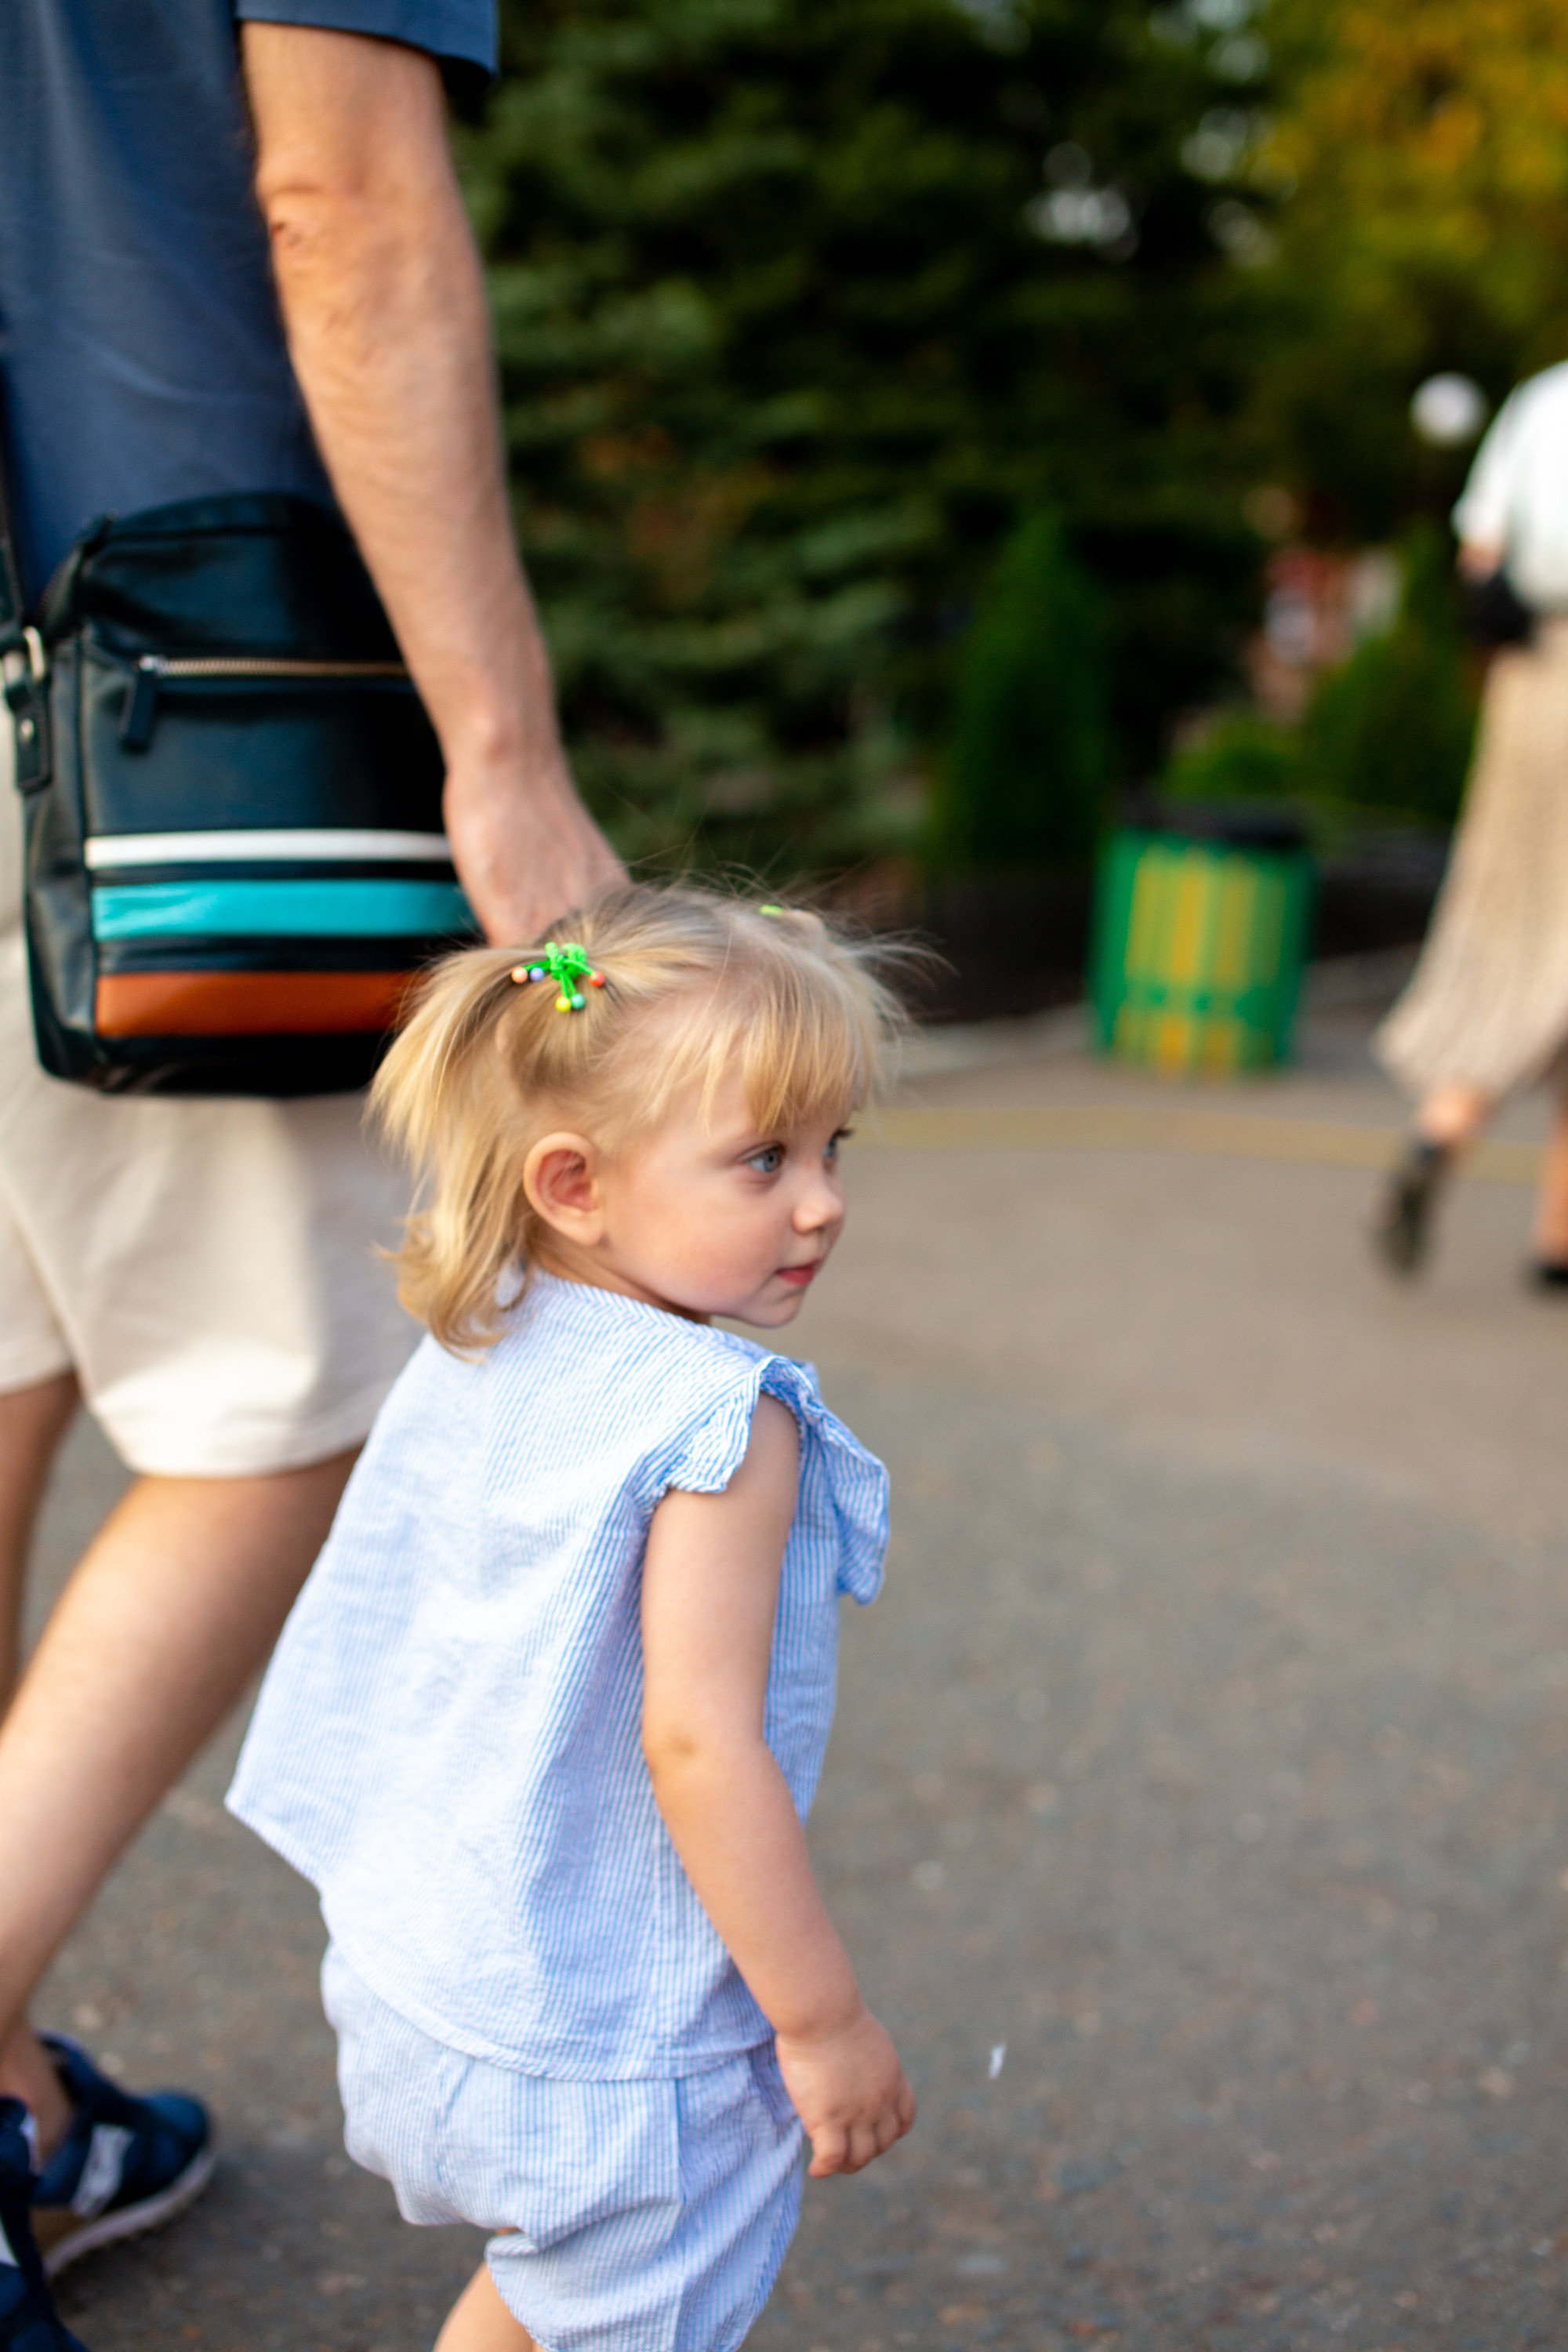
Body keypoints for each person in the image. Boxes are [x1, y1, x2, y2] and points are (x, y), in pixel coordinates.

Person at [0, 9, 620, 2344]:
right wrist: (502, 755)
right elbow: (336, 198)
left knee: (7, 1366)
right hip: (154, 682)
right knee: (291, 1408)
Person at [225, 886, 917, 2352]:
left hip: (424, 1978)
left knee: (554, 2304)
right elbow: (699, 1744)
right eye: (764, 1158)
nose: (822, 1202)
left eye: (832, 1146)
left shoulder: (493, 1325)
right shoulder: (723, 1422)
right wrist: (820, 2022)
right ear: (576, 1185)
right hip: (607, 2051)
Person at [1374, 360, 1568, 1280]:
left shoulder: (1542, 400)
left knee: (1515, 927)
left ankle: (1463, 1150)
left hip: (1533, 683)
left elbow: (1479, 551)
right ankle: (1536, 1220)